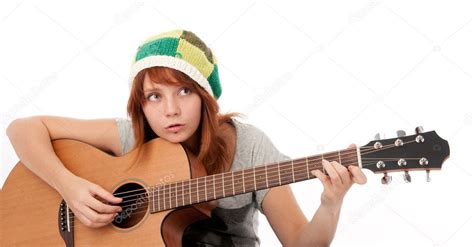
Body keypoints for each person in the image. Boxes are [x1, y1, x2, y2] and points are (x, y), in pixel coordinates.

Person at [6, 29, 367, 246]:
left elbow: (300, 243)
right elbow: (22, 128)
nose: (170, 111)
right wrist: (70, 186)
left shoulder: (250, 146)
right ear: (141, 105)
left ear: (206, 97)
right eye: (154, 96)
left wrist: (331, 204)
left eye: (183, 92)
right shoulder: (131, 136)